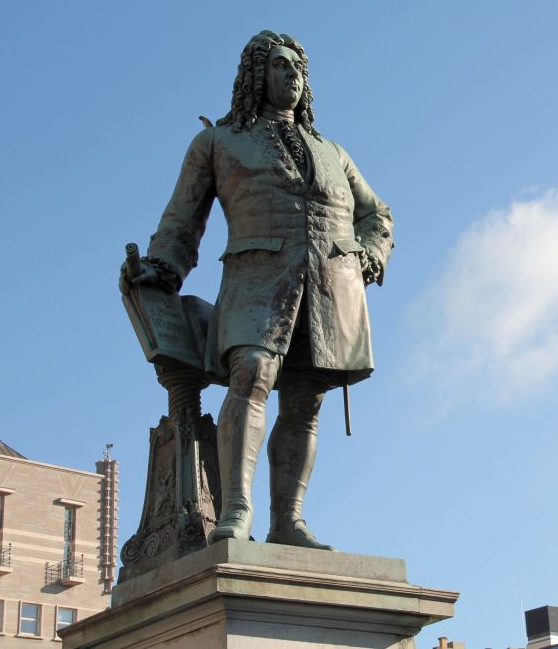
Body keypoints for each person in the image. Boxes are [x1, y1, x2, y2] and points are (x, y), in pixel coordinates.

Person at [121, 31, 394, 549]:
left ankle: (288, 520)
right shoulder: (219, 143)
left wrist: (371, 253)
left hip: (330, 290)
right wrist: (161, 268)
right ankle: (238, 510)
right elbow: (183, 220)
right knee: (250, 372)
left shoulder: (333, 151)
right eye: (279, 66)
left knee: (306, 402)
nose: (292, 75)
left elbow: (376, 214)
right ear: (255, 76)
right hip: (257, 279)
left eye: (298, 68)